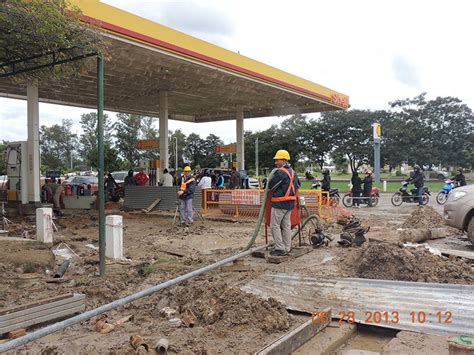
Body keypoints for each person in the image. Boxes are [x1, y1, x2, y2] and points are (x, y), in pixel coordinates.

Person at [268, 149, 300, 257]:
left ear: (283, 160)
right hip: (290, 204)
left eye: (277, 160)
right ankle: (287, 247)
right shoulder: (293, 172)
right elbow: (297, 185)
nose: (276, 163)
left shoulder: (280, 172)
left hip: (279, 203)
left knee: (274, 226)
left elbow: (271, 186)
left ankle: (280, 248)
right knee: (286, 225)